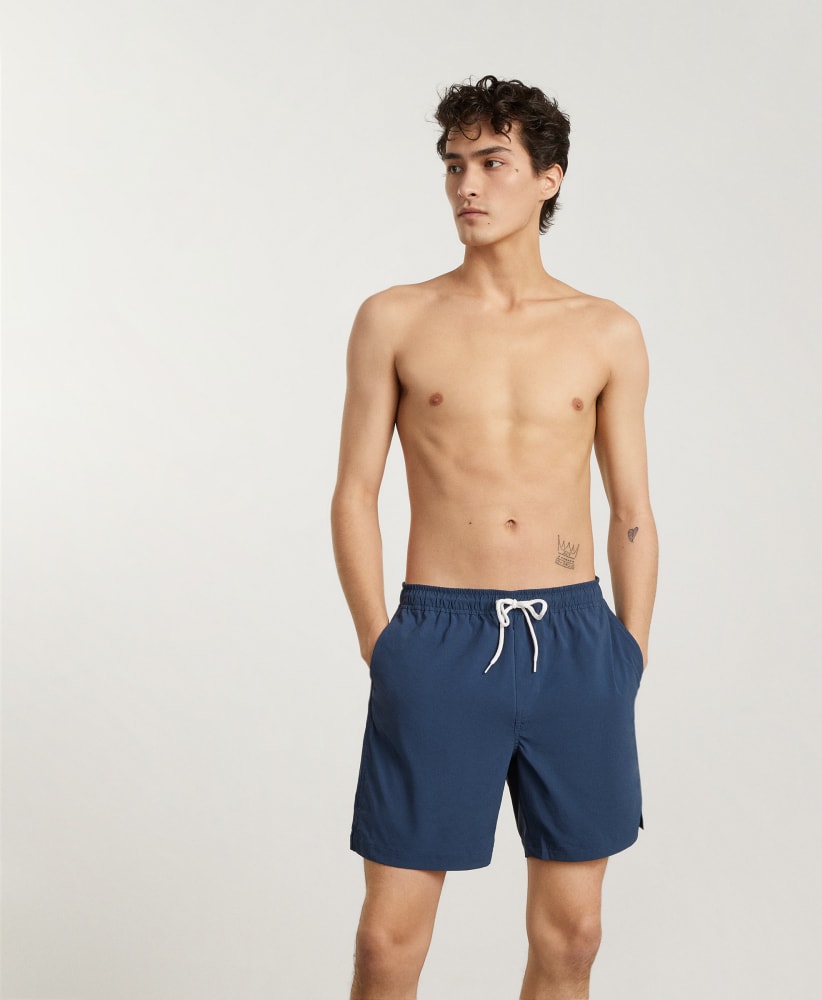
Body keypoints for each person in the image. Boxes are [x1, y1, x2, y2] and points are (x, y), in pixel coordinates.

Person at [331, 75, 657, 1000]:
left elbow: (632, 509)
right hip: (439, 637)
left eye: (492, 163)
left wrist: (629, 650)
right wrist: (381, 642)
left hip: (577, 640)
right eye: (453, 165)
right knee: (387, 943)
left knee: (574, 936)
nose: (466, 185)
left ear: (549, 177)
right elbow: (355, 492)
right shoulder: (395, 317)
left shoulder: (607, 331)